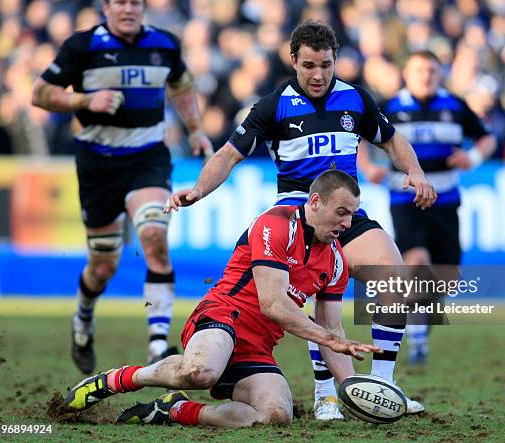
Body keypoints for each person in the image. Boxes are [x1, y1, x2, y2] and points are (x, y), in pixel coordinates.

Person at [165, 20, 436, 419]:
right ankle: (326, 393)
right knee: (318, 301)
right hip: (297, 217)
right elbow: (228, 154)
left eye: (325, 65)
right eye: (309, 65)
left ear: (335, 60)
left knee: (393, 277)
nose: (318, 74)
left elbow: (391, 138)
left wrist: (415, 171)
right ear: (293, 61)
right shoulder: (273, 106)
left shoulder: (356, 100)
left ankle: (382, 387)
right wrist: (199, 190)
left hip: (345, 213)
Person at [62, 170, 384, 428]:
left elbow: (333, 333)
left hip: (258, 345)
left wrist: (355, 391)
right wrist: (330, 338)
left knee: (275, 415)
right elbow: (272, 304)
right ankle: (117, 380)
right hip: (223, 316)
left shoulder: (337, 261)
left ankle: (174, 410)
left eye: (352, 216)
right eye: (341, 213)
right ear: (315, 202)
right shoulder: (277, 224)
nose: (346, 224)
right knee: (199, 373)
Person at [31, 0, 213, 374]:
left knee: (154, 237)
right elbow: (40, 94)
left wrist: (195, 128)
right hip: (98, 165)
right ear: (106, 7)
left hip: (148, 159)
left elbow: (181, 84)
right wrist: (84, 99)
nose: (128, 9)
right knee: (103, 266)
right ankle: (82, 319)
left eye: (135, 2)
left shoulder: (164, 44)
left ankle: (158, 347)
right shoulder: (81, 47)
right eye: (120, 2)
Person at [358, 50, 496, 365]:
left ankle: (420, 316)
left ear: (440, 73)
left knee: (446, 278)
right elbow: (362, 136)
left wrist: (471, 158)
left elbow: (486, 139)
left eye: (432, 70)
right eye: (419, 70)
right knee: (416, 261)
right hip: (405, 196)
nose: (426, 76)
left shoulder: (455, 105)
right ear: (407, 73)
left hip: (445, 197)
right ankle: (418, 341)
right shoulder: (391, 106)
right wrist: (368, 167)